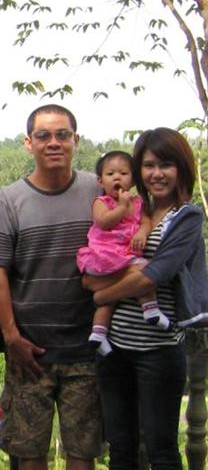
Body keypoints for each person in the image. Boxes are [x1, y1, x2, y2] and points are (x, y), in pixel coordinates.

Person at [85, 128, 208, 470]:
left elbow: (155, 274)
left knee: (161, 448)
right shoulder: (131, 211)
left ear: (181, 169)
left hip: (159, 350)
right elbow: (94, 259)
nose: (156, 174)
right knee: (120, 447)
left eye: (165, 164)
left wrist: (102, 294)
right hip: (115, 347)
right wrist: (98, 286)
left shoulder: (186, 217)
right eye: (149, 165)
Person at [0, 104, 102, 470]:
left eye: (63, 134)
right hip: (30, 350)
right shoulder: (10, 200)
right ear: (28, 142)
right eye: (44, 135)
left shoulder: (97, 192)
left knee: (82, 447)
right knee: (28, 449)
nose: (54, 143)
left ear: (76, 140)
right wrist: (10, 335)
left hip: (86, 346)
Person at [76, 150, 157, 356]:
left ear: (133, 180)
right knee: (142, 270)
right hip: (105, 256)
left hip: (124, 254)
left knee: (114, 294)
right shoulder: (102, 202)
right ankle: (148, 309)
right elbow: (104, 222)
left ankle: (101, 333)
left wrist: (142, 232)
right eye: (111, 174)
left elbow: (146, 221)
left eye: (123, 173)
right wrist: (122, 207)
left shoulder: (138, 203)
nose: (117, 178)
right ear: (100, 180)